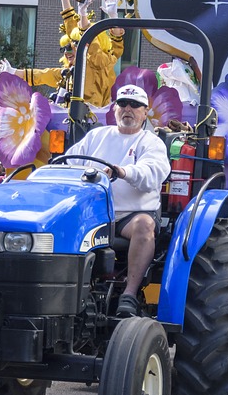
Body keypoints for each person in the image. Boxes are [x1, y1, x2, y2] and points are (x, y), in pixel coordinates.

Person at [64, 84, 170, 317]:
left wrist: (123, 172)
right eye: (122, 104)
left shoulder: (151, 143)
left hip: (130, 216)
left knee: (145, 226)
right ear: (114, 109)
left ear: (144, 112)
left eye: (135, 105)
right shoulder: (96, 136)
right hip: (93, 213)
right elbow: (70, 162)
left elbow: (152, 174)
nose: (127, 109)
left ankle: (129, 295)